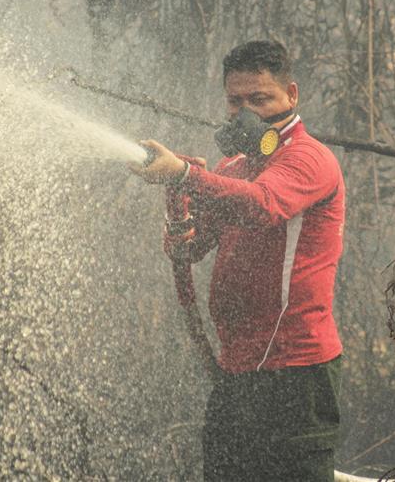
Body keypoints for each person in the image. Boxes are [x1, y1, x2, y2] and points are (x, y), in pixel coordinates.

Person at [132, 40, 346, 481]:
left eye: (260, 99)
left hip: (297, 373)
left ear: (292, 95)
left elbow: (263, 204)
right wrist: (181, 218)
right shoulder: (234, 168)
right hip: (238, 371)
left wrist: (186, 175)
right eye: (236, 101)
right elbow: (190, 249)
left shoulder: (309, 159)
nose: (246, 111)